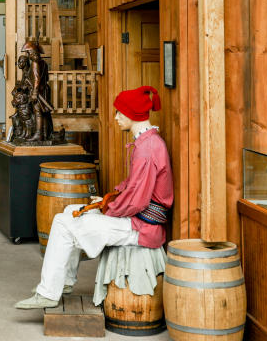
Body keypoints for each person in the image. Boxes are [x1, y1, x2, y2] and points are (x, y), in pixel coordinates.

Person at [14, 85, 173, 309]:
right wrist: (106, 201)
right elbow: (133, 188)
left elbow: (136, 200)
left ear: (132, 114)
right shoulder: (146, 142)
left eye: (119, 112)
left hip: (141, 228)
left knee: (62, 223)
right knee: (69, 212)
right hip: (136, 221)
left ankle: (48, 292)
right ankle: (64, 282)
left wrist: (108, 207)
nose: (116, 117)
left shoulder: (147, 149)